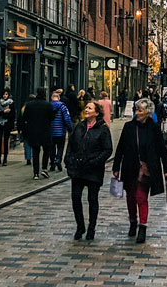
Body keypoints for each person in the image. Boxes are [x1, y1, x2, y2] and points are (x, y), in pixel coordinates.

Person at [113, 97, 167, 244]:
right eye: (136, 110)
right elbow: (120, 148)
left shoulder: (154, 128)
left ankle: (142, 227)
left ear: (147, 113)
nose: (137, 113)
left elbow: (162, 150)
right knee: (130, 197)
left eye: (139, 110)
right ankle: (133, 221)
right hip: (129, 167)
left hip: (147, 168)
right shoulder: (128, 127)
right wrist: (115, 168)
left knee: (141, 197)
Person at [64, 100, 113, 240]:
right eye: (86, 107)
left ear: (97, 113)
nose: (86, 110)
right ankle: (80, 226)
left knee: (92, 199)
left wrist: (94, 162)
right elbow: (71, 146)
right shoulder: (79, 127)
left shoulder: (103, 129)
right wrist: (69, 161)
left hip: (93, 170)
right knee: (75, 198)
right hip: (78, 169)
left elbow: (107, 150)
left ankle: (91, 228)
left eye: (90, 108)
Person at [18, 88, 54, 179]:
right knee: (46, 150)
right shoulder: (48, 105)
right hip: (45, 131)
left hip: (33, 131)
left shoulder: (29, 105)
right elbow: (52, 118)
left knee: (35, 152)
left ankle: (36, 173)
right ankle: (44, 169)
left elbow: (25, 117)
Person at [51, 89, 73, 171]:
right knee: (60, 147)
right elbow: (66, 118)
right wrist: (69, 128)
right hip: (60, 131)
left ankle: (52, 162)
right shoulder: (63, 107)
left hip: (51, 131)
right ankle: (58, 160)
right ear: (59, 98)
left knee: (52, 148)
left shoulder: (49, 106)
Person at [0, 89, 15, 167]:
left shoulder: (11, 103)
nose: (5, 96)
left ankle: (5, 159)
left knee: (6, 141)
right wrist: (4, 112)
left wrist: (6, 115)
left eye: (6, 94)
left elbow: (12, 115)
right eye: (4, 94)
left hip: (7, 124)